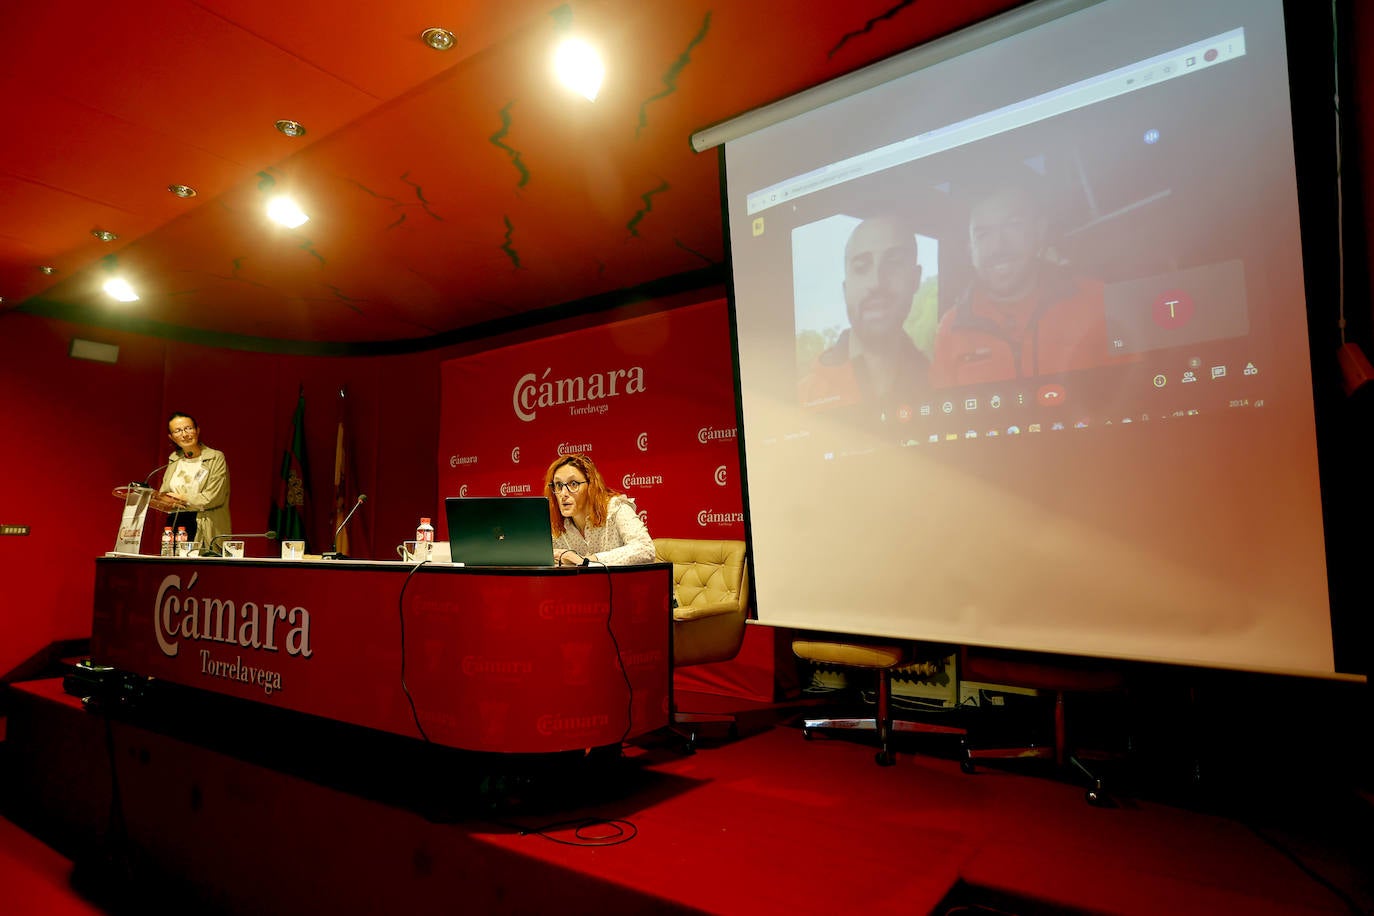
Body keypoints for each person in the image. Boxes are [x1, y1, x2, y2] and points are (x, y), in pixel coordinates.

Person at [930, 181, 1121, 387]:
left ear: (1039, 231)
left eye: (1013, 225)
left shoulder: (1098, 300)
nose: (998, 246)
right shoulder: (950, 328)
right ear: (971, 250)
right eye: (983, 235)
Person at [798, 215, 931, 418]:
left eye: (893, 263)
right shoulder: (804, 397)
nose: (876, 282)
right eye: (861, 267)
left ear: (915, 279)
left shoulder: (941, 379)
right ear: (845, 289)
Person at [544, 453, 654, 566]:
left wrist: (587, 560)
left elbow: (645, 549)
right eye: (558, 485)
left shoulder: (615, 508)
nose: (563, 493)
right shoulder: (556, 524)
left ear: (591, 487)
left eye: (573, 484)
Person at [154, 412, 231, 551]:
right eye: (178, 431)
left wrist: (182, 498)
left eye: (188, 428)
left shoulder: (215, 457)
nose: (184, 434)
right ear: (171, 437)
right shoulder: (174, 459)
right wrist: (159, 498)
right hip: (175, 524)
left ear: (197, 430)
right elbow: (165, 493)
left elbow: (213, 497)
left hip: (204, 525)